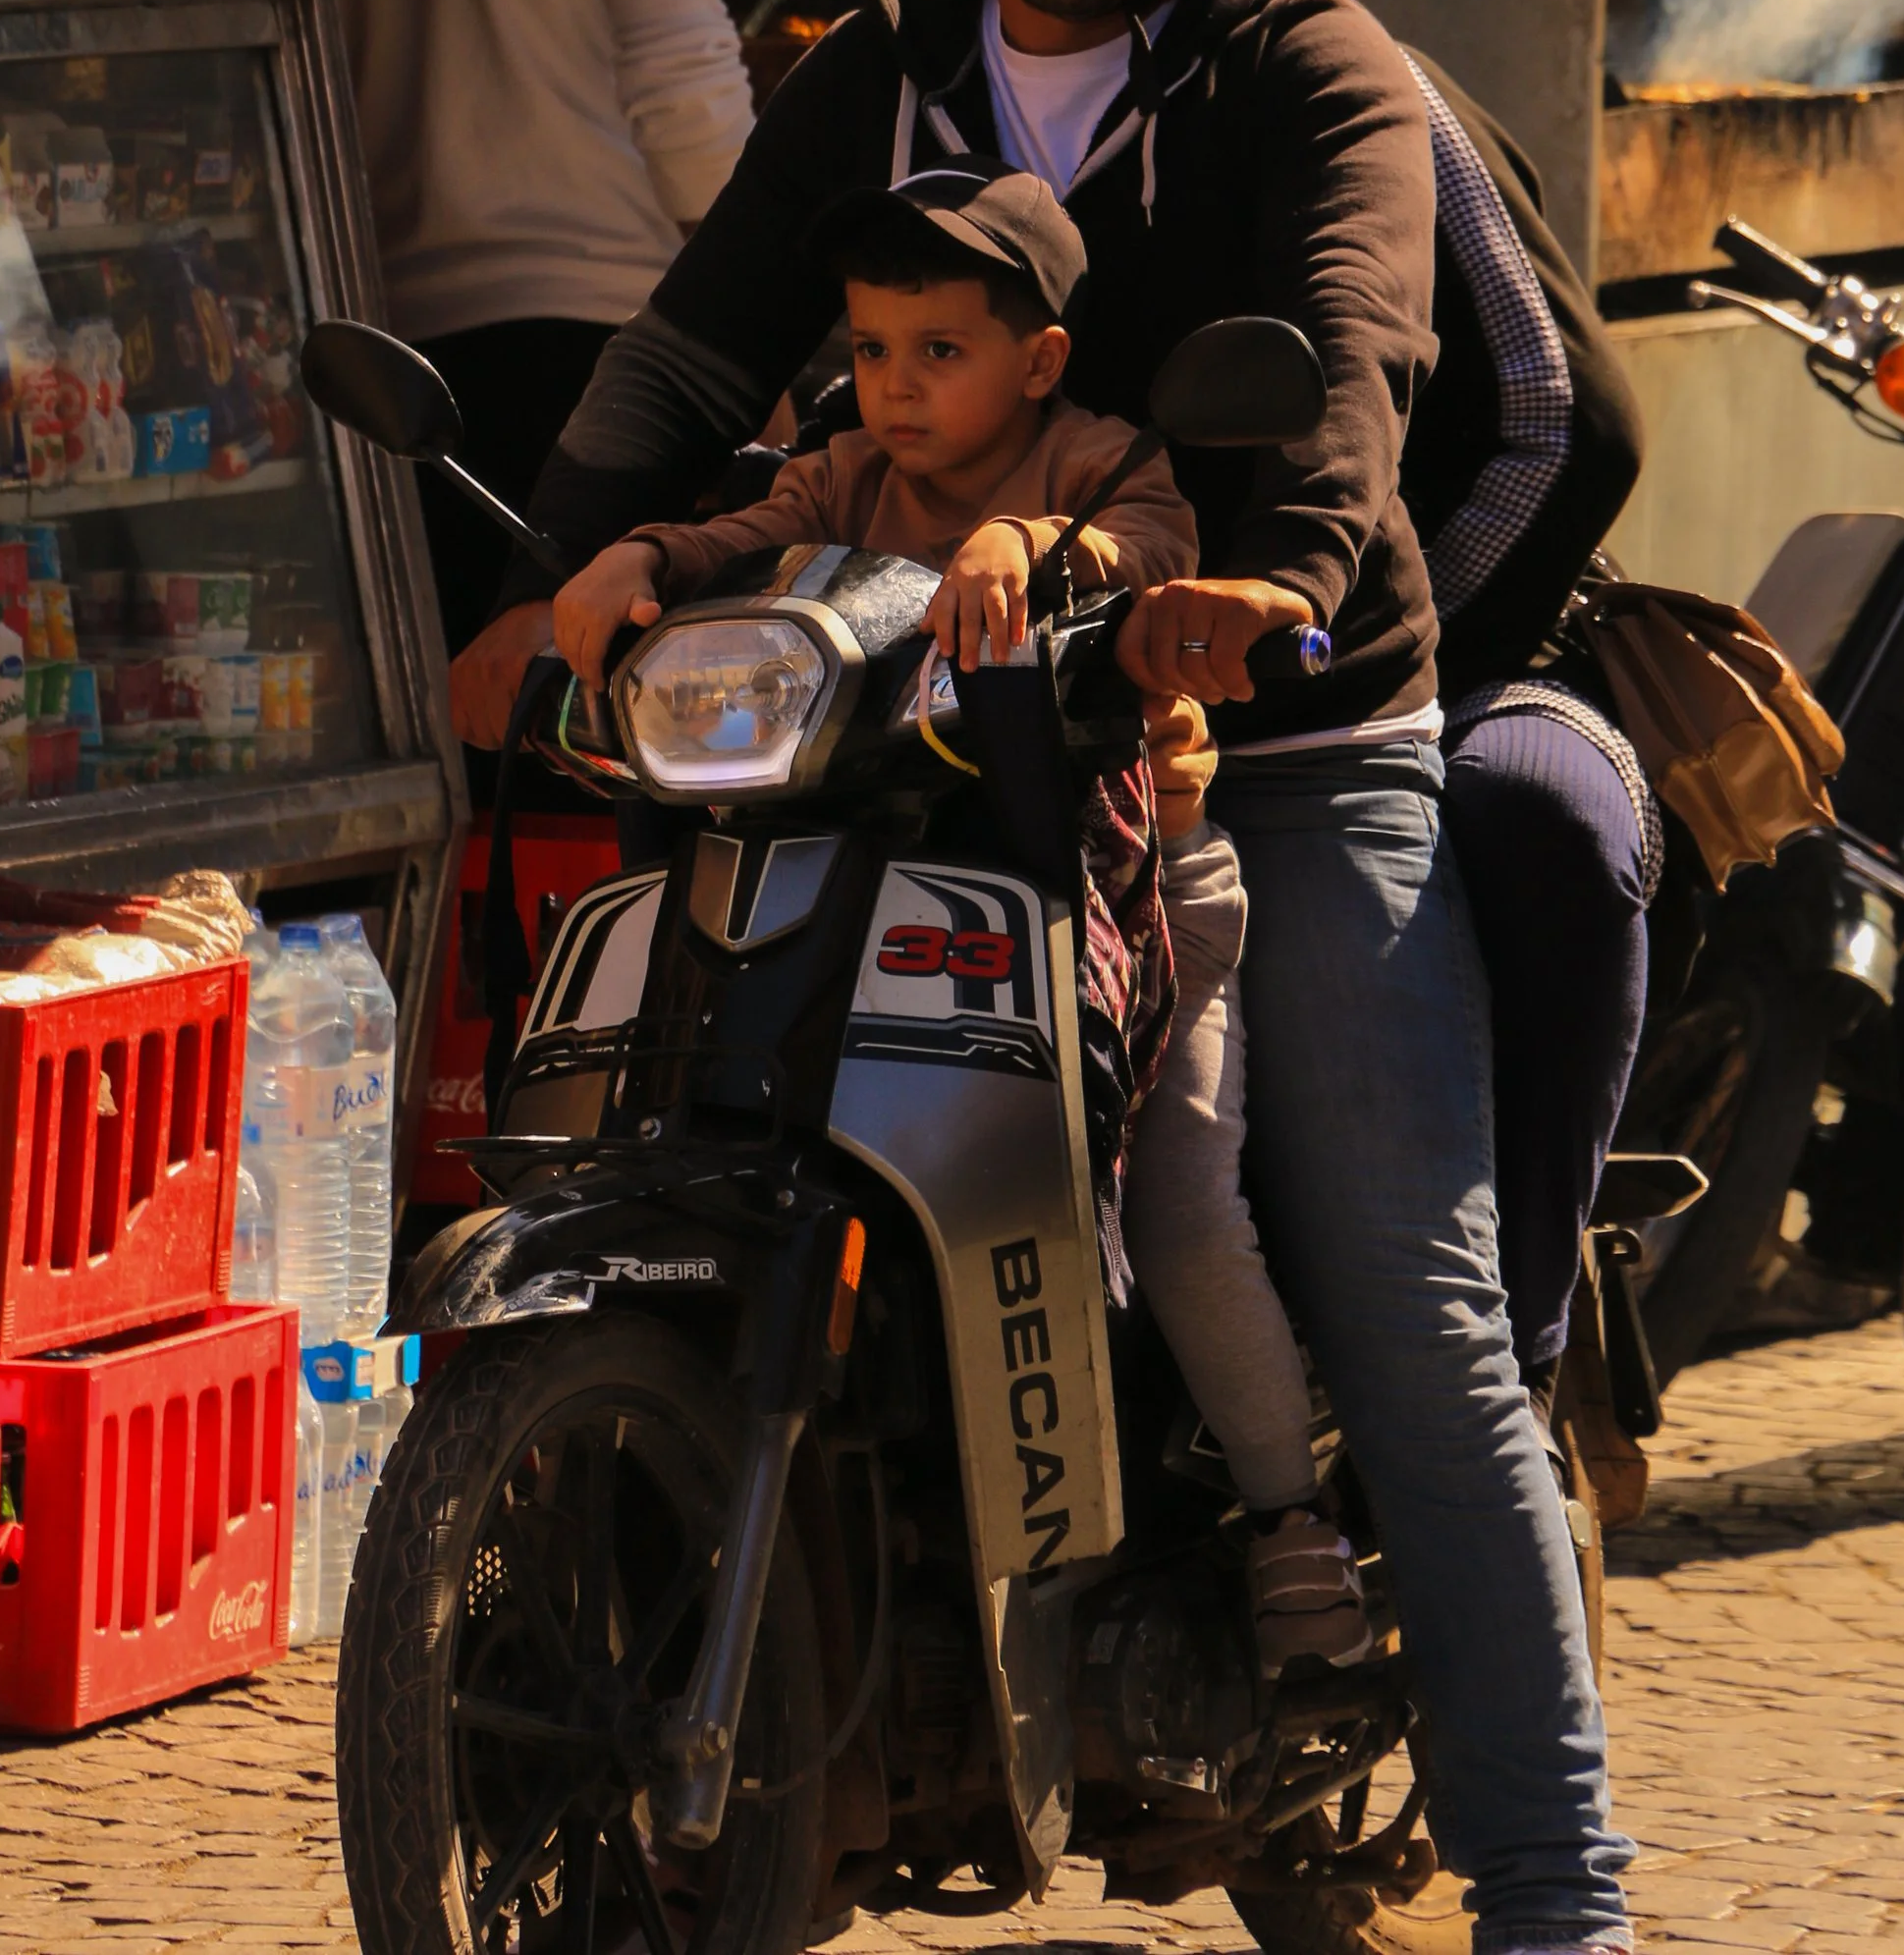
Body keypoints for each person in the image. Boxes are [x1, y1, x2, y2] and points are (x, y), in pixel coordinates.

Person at [468, 0, 1634, 1955]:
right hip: (923, 729)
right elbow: (699, 343)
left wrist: (1270, 582)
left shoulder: (1315, 64)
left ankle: (1559, 1891)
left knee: (1407, 1305)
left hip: (1275, 740)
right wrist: (554, 572)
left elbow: (1348, 358)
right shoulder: (881, 62)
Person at [552, 155, 1375, 1678]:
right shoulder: (844, 476)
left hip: (1133, 902)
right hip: (880, 892)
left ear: (1039, 359)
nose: (897, 387)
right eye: (870, 349)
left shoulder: (1102, 457)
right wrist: (637, 557)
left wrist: (1032, 546)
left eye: (942, 350)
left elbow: (1156, 550)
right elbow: (737, 539)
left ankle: (1287, 1519)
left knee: (1182, 1208)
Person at [337, 0, 752, 669]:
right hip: (609, 363)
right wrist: (763, 322)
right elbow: (685, 88)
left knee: (436, 750)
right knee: (589, 767)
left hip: (370, 356)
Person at [1402, 56, 1662, 1415]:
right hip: (1057, 680)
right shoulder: (896, 94)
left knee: (1541, 817)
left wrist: (1386, 644)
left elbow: (1571, 419)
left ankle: (1513, 1367)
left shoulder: (1357, 86)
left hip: (1459, 658)